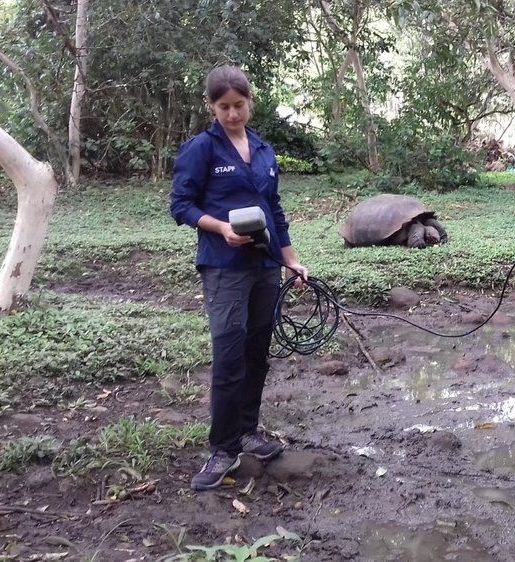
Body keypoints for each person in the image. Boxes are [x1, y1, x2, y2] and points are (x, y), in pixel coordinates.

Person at [170, 65, 308, 491]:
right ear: (212, 107)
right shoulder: (201, 150)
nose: (232, 114)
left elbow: (275, 211)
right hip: (224, 268)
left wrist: (291, 260)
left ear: (250, 102)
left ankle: (248, 431)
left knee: (255, 353)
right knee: (228, 357)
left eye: (239, 105)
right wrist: (220, 228)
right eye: (223, 107)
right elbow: (181, 206)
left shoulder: (264, 150)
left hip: (265, 267)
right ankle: (223, 449)